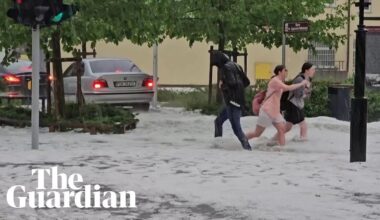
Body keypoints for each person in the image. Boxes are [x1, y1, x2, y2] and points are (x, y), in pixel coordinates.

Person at [245, 65, 309, 146]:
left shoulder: (280, 81)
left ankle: (282, 150)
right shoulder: (275, 80)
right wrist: (301, 83)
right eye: (285, 70)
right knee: (257, 133)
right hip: (267, 111)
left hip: (275, 112)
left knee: (281, 130)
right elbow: (287, 88)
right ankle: (242, 139)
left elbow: (288, 88)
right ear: (280, 72)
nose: (286, 72)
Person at [212, 51, 252, 151]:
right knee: (218, 121)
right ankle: (218, 145)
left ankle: (247, 148)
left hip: (232, 101)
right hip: (237, 100)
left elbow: (232, 83)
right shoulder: (237, 66)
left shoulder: (225, 68)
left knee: (236, 127)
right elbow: (246, 82)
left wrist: (222, 85)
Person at [273, 62, 316, 142]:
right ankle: (303, 143)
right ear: (306, 70)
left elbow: (306, 95)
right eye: (312, 69)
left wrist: (307, 91)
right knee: (303, 125)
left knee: (288, 127)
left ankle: (273, 140)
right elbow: (297, 94)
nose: (314, 71)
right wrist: (306, 91)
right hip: (293, 105)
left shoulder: (307, 80)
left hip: (297, 105)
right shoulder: (299, 79)